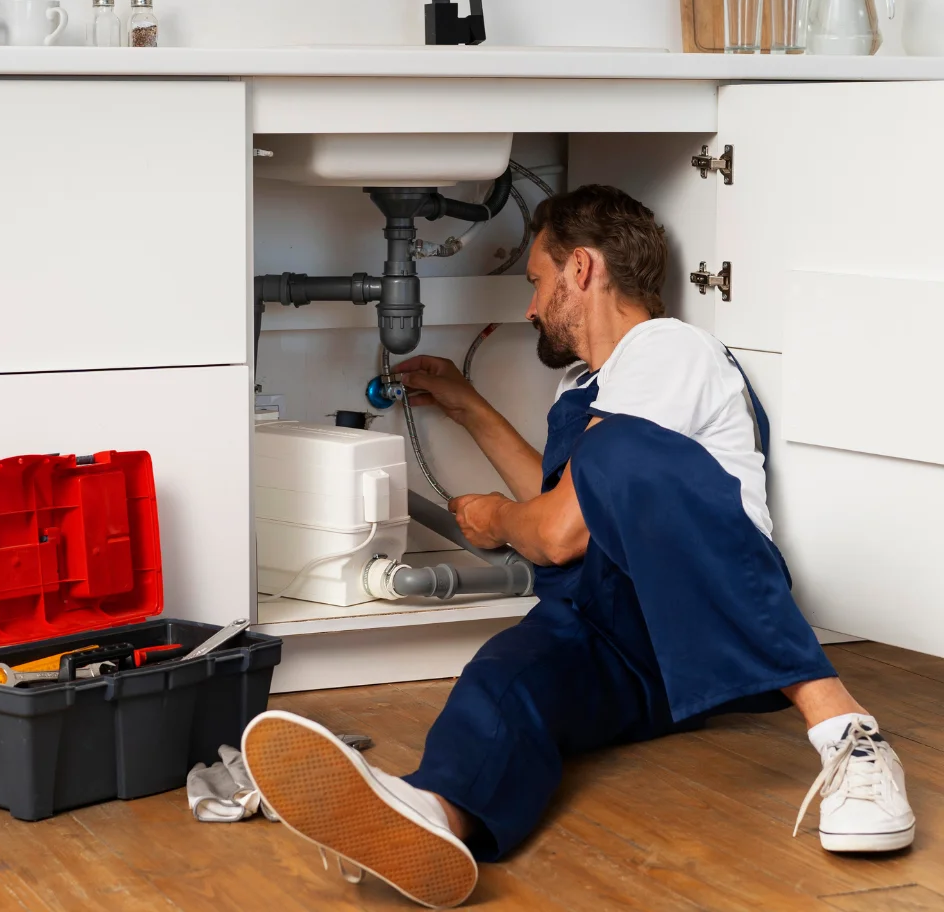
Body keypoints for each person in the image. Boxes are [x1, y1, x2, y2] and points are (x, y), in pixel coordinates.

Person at [240, 184, 915, 910]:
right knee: (506, 677)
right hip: (616, 639)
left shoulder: (667, 349)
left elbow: (561, 530)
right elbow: (566, 500)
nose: (531, 306)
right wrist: (469, 407)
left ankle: (850, 735)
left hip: (707, 612)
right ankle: (435, 815)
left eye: (536, 280)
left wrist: (500, 519)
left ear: (582, 269)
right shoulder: (586, 385)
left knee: (614, 457)